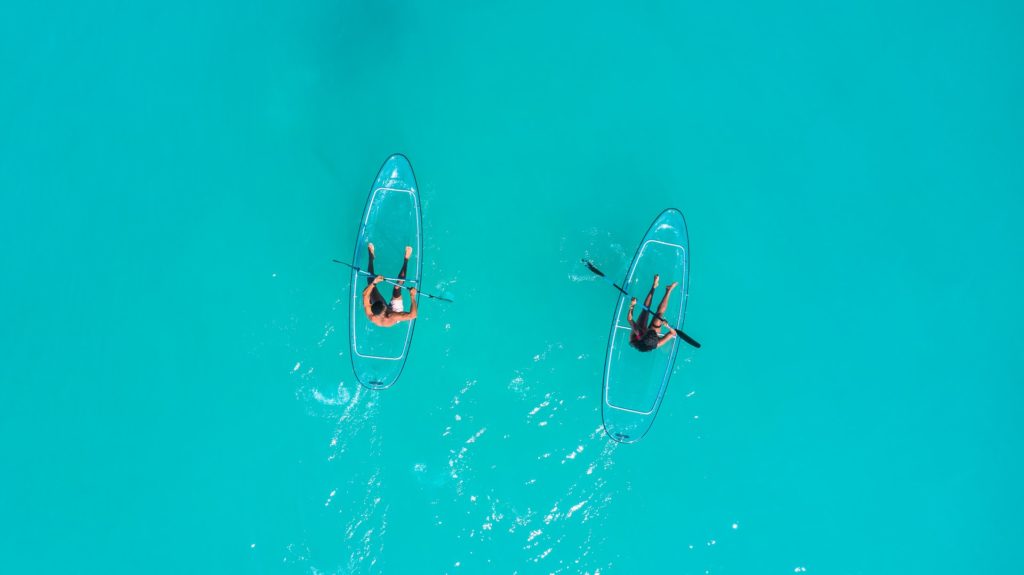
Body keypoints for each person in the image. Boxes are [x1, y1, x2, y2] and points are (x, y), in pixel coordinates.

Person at [361, 242, 418, 327]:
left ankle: (371, 257)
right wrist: (412, 296)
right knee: (397, 287)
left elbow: (365, 295)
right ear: (384, 309)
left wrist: (374, 282)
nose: (384, 303)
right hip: (396, 310)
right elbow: (413, 315)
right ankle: (406, 259)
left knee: (370, 281)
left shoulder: (371, 314)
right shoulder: (392, 316)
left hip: (381, 310)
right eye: (384, 305)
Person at [628, 274, 677, 352]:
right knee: (659, 317)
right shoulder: (657, 343)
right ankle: (668, 290)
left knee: (645, 311)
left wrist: (632, 305)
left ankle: (654, 286)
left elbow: (630, 319)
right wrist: (667, 326)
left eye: (648, 330)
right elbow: (673, 333)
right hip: (648, 338)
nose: (648, 329)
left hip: (639, 337)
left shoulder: (639, 332)